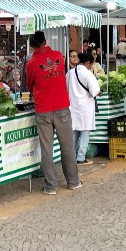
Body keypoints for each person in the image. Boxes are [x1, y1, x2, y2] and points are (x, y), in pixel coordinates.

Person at [25, 31, 82, 194]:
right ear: (46, 41)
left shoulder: (31, 64)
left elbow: (29, 85)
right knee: (67, 147)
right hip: (62, 108)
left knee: (47, 149)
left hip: (43, 110)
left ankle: (51, 186)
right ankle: (73, 181)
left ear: (31, 46)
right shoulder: (58, 55)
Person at [67, 52, 101, 165]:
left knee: (75, 132)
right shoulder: (88, 74)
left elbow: (66, 89)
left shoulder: (70, 73)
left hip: (74, 107)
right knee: (85, 133)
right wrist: (100, 92)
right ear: (87, 63)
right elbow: (95, 91)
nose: (91, 66)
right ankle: (80, 157)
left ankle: (70, 156)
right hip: (85, 107)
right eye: (91, 64)